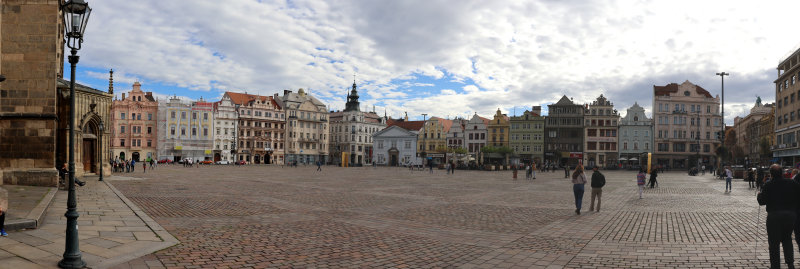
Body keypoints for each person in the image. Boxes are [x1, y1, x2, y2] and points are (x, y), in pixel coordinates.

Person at [757, 164, 800, 269]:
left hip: (774, 216)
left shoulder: (768, 185)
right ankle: (790, 263)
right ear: (782, 173)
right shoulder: (792, 183)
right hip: (790, 216)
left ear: (771, 174)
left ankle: (775, 266)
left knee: (774, 242)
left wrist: (759, 195)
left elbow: (762, 202)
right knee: (787, 239)